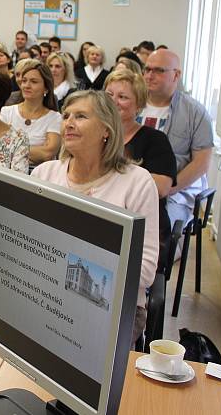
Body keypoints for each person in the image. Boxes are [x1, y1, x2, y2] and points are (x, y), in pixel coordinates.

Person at [32, 90, 159, 346]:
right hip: (48, 294)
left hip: (114, 308)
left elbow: (144, 272)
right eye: (66, 115)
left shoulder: (136, 182)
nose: (68, 122)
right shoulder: (44, 174)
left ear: (106, 130)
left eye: (80, 116)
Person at [105, 69, 177, 268]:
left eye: (123, 97)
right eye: (109, 94)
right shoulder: (95, 135)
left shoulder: (155, 140)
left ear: (139, 105)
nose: (113, 101)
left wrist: (112, 175)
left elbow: (162, 187)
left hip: (141, 228)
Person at [137, 49, 214, 232]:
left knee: (155, 227)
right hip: (134, 188)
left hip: (175, 193)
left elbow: (201, 163)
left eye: (158, 71)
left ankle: (160, 258)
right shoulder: (133, 105)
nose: (149, 75)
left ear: (176, 75)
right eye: (147, 70)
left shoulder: (194, 112)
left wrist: (168, 189)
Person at [0, 60, 61, 167]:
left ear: (46, 88)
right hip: (7, 171)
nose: (26, 86)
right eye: (24, 81)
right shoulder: (6, 112)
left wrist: (12, 148)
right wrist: (37, 151)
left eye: (34, 81)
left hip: (38, 175)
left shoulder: (55, 118)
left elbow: (47, 153)